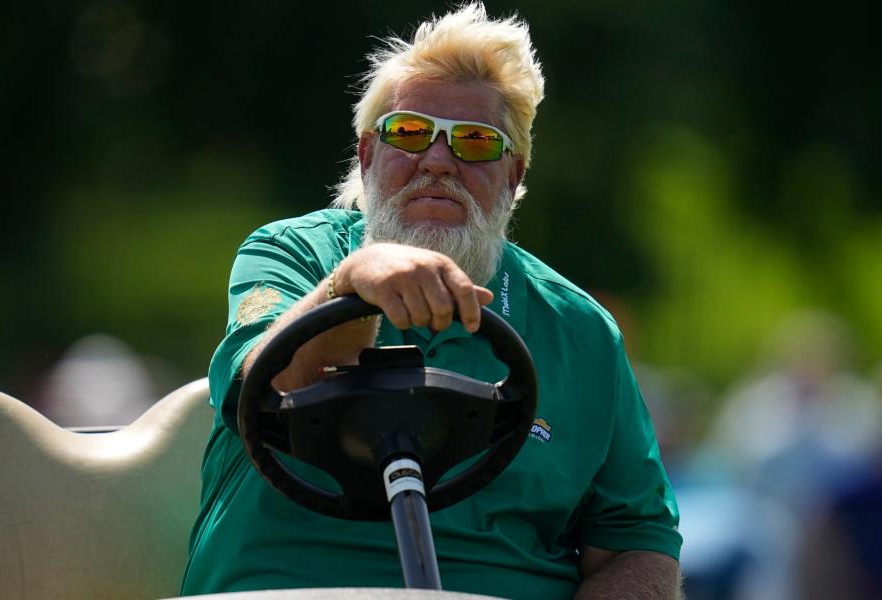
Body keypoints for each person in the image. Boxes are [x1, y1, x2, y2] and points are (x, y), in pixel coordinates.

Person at [181, 4, 681, 598]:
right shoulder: (289, 255)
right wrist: (352, 282)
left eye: (474, 142)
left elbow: (637, 542)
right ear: (368, 158)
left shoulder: (583, 330)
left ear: (514, 174)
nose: (438, 161)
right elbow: (263, 386)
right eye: (409, 132)